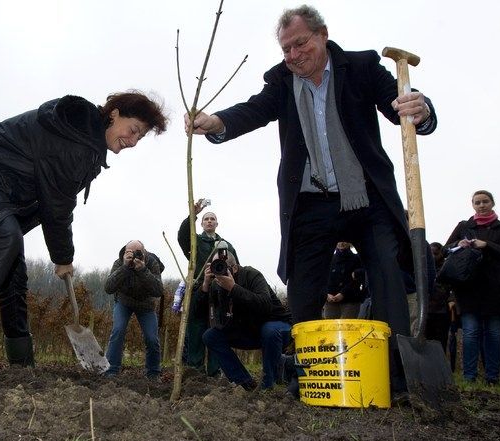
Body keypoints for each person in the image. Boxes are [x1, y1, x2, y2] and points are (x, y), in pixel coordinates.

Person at [184, 5, 436, 395]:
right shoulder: (282, 81)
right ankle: (309, 377)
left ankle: (398, 381)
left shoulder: (362, 66)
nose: (293, 55)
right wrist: (218, 123)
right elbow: (255, 110)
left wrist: (421, 109)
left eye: (300, 44)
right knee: (302, 290)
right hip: (311, 202)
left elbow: (402, 107)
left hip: (366, 197)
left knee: (386, 275)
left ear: (322, 35)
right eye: (286, 49)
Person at [0, 92, 168, 383]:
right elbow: (56, 205)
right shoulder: (74, 137)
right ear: (114, 114)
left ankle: (20, 361)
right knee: (6, 239)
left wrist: (59, 250)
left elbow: (53, 200)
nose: (132, 142)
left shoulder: (87, 145)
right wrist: (63, 258)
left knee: (12, 262)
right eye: (133, 131)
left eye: (139, 138)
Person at [445, 190, 500, 385]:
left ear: (492, 203)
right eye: (477, 202)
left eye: (485, 201)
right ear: (472, 205)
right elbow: (446, 249)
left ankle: (492, 376)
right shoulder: (464, 226)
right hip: (469, 288)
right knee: (470, 332)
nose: (482, 205)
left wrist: (487, 245)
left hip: (496, 288)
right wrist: (458, 244)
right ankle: (469, 376)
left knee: (494, 334)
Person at [199, 244, 292, 390]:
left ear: (234, 268)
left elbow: (265, 305)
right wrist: (205, 285)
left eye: (222, 266)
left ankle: (269, 384)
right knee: (210, 336)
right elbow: (198, 313)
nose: (219, 270)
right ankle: (244, 383)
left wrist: (233, 288)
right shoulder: (216, 285)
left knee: (269, 330)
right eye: (216, 266)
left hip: (278, 327)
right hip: (250, 331)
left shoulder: (251, 274)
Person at [177, 199, 239, 376]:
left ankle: (214, 371)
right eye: (206, 219)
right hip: (200, 289)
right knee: (196, 328)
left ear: (217, 224)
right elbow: (182, 235)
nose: (210, 221)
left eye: (212, 219)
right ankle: (195, 371)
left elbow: (236, 268)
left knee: (217, 328)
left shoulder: (227, 245)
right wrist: (193, 214)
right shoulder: (195, 241)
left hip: (221, 293)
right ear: (202, 224)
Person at [103, 240, 164, 379]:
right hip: (124, 302)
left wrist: (143, 270)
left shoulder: (152, 263)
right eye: (129, 252)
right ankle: (111, 370)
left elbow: (158, 290)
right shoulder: (119, 263)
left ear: (144, 252)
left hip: (146, 305)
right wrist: (124, 267)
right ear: (125, 252)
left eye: (138, 252)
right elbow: (108, 288)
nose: (134, 255)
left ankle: (153, 373)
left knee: (152, 338)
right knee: (118, 330)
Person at [323, 242, 365, 319]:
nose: (341, 243)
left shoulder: (357, 259)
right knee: (330, 328)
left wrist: (343, 293)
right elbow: (323, 278)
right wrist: (327, 293)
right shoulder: (329, 259)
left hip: (350, 300)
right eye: (339, 241)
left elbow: (358, 281)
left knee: (347, 328)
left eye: (344, 241)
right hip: (331, 300)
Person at [426, 242, 454, 351]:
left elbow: (454, 286)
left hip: (442, 311)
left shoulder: (448, 268)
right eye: (431, 253)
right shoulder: (424, 267)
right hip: (427, 310)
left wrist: (452, 299)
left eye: (435, 253)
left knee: (441, 341)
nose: (433, 256)